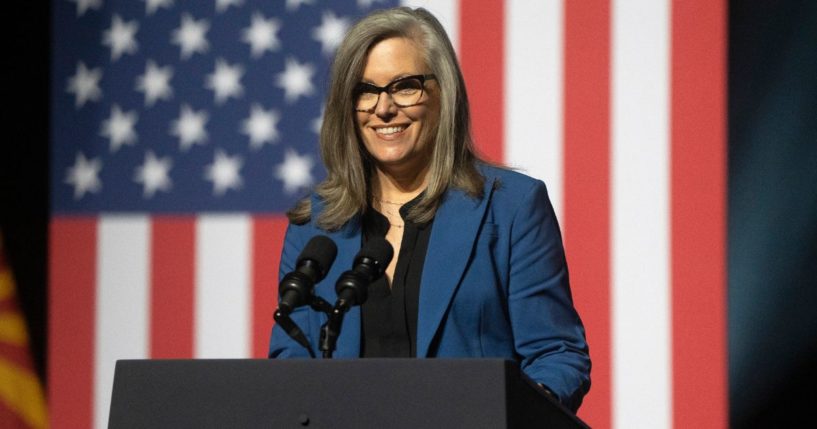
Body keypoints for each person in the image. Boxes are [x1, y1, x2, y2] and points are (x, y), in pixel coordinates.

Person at [269, 6, 591, 412]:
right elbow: (291, 361)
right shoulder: (316, 223)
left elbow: (557, 354)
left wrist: (517, 418)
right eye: (365, 91)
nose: (383, 108)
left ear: (444, 93)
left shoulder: (509, 208)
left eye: (404, 86)